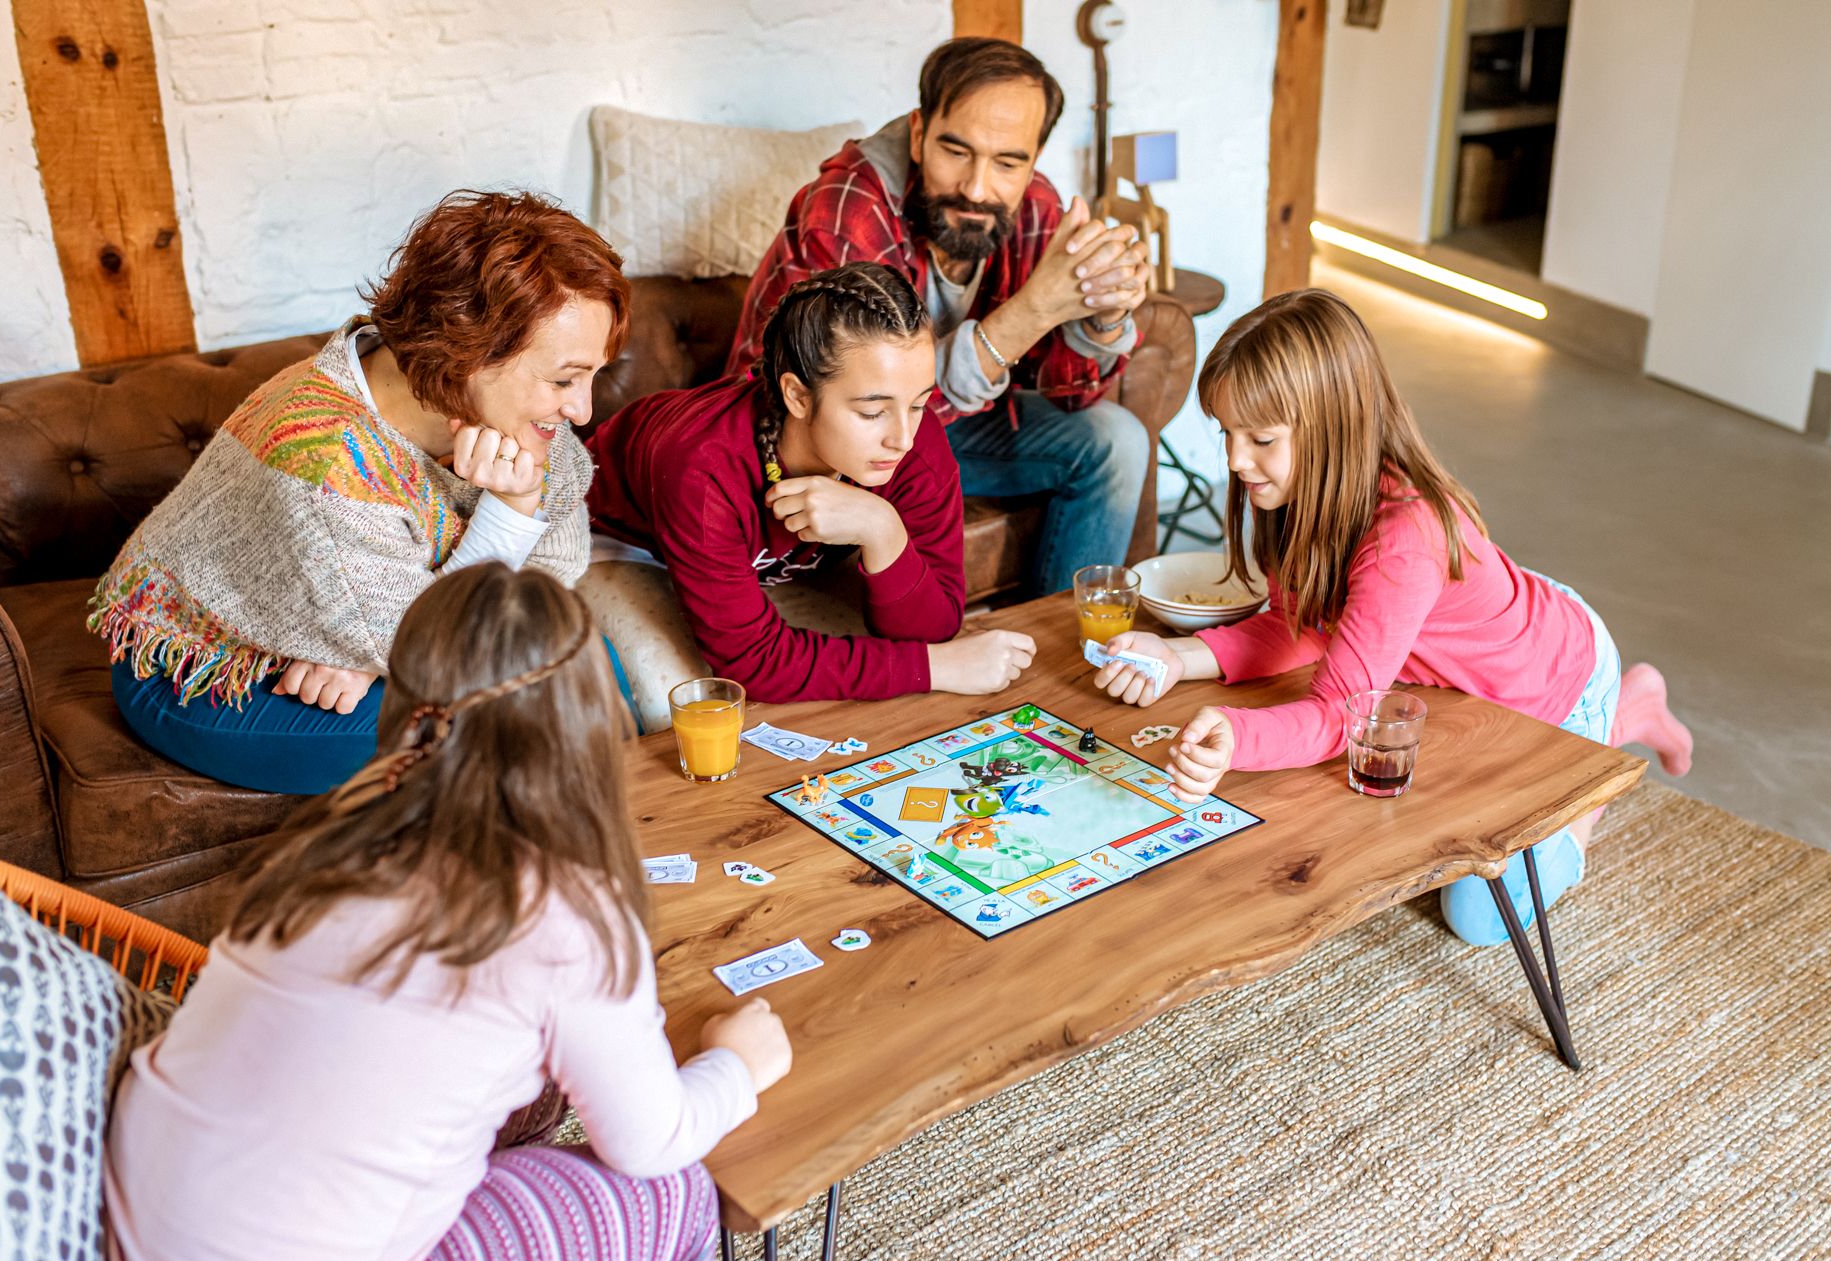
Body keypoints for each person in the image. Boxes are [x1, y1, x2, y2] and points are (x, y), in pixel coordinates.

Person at [103, 563, 793, 1261]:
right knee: (679, 1202)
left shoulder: (336, 833)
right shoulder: (566, 912)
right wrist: (738, 1064)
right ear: (590, 727)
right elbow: (649, 1141)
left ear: (401, 702)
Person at [1092, 288, 1693, 946]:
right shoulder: (1308, 491)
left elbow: (1341, 716)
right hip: (1477, 666)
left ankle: (1613, 725)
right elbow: (1297, 628)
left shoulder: (1403, 538)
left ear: (1330, 428)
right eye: (1227, 434)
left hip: (1554, 684)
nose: (1235, 460)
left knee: (1480, 919)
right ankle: (1613, 715)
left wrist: (1238, 737)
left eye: (1259, 438)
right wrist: (1178, 656)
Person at [90, 189, 629, 795]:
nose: (581, 411)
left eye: (591, 376)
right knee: (507, 729)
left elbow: (557, 568)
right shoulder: (323, 460)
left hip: (377, 630)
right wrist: (511, 510)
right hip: (211, 668)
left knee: (594, 670)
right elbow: (435, 651)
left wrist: (371, 652)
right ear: (468, 352)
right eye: (564, 379)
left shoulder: (520, 413)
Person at [728, 37, 1153, 596]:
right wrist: (1036, 310)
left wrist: (1104, 315)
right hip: (820, 434)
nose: (978, 188)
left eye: (1008, 161)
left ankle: (1064, 644)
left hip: (938, 423)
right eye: (956, 151)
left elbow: (1070, 396)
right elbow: (861, 397)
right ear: (920, 132)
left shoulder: (1032, 203)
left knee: (1116, 438)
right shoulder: (850, 204)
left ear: (1033, 159)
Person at [587, 261, 1035, 702]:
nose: (903, 438)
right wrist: (939, 667)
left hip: (766, 562)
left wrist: (883, 529)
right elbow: (754, 665)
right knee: (693, 700)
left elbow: (935, 626)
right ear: (798, 396)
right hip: (618, 542)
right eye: (871, 412)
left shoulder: (916, 439)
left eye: (918, 403)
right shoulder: (701, 468)